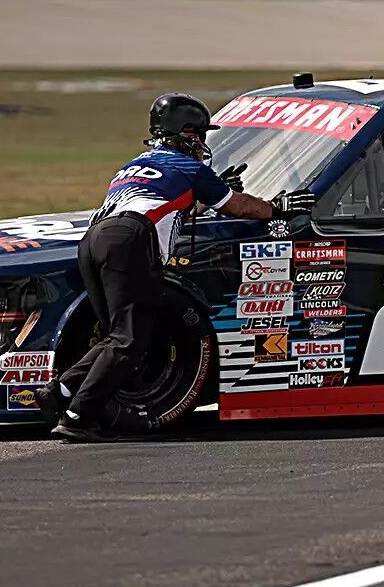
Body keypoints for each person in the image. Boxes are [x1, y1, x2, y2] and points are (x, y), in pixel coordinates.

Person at [39, 92, 314, 442]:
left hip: (94, 239)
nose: (202, 143)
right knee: (130, 341)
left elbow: (166, 206)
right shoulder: (190, 167)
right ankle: (79, 416)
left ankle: (59, 391)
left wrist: (201, 197)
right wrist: (279, 207)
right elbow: (240, 207)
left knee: (117, 337)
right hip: (129, 240)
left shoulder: (133, 165)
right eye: (200, 134)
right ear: (186, 133)